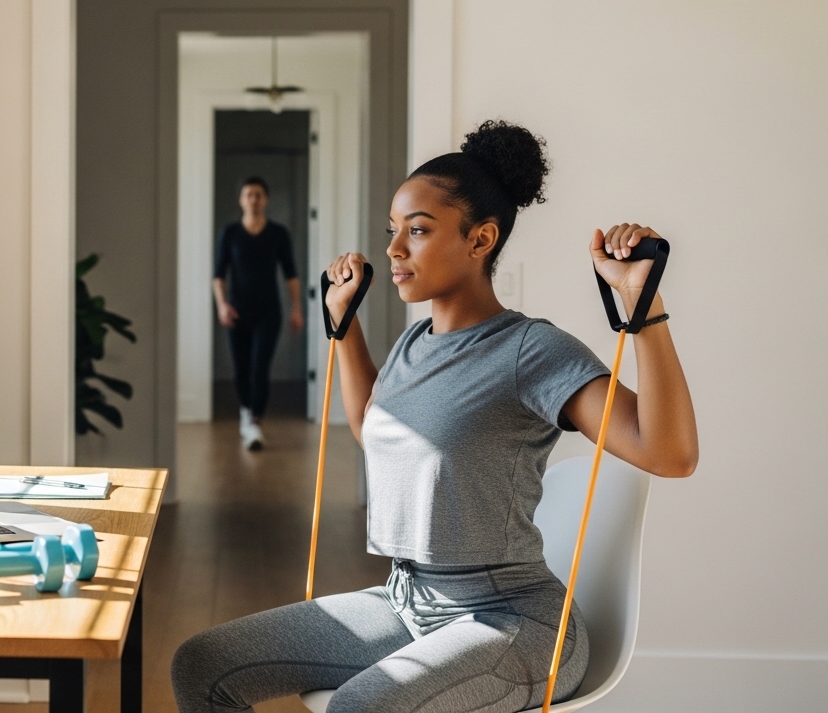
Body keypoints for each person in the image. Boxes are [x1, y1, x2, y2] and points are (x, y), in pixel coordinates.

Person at [173, 121, 698, 712]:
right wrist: (344, 327)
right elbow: (373, 430)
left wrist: (644, 307)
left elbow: (670, 453)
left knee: (358, 709)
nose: (394, 248)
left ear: (481, 240)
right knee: (203, 666)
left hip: (511, 621)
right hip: (406, 603)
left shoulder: (529, 350)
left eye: (418, 230)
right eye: (393, 230)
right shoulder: (412, 343)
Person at [213, 176, 304, 450]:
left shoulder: (278, 234)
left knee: (260, 368)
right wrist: (222, 305)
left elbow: (291, 274)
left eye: (258, 195)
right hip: (237, 312)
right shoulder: (230, 233)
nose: (253, 199)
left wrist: (296, 308)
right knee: (241, 369)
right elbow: (219, 275)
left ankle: (255, 421)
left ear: (265, 199)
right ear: (241, 200)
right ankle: (246, 412)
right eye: (248, 194)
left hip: (268, 312)